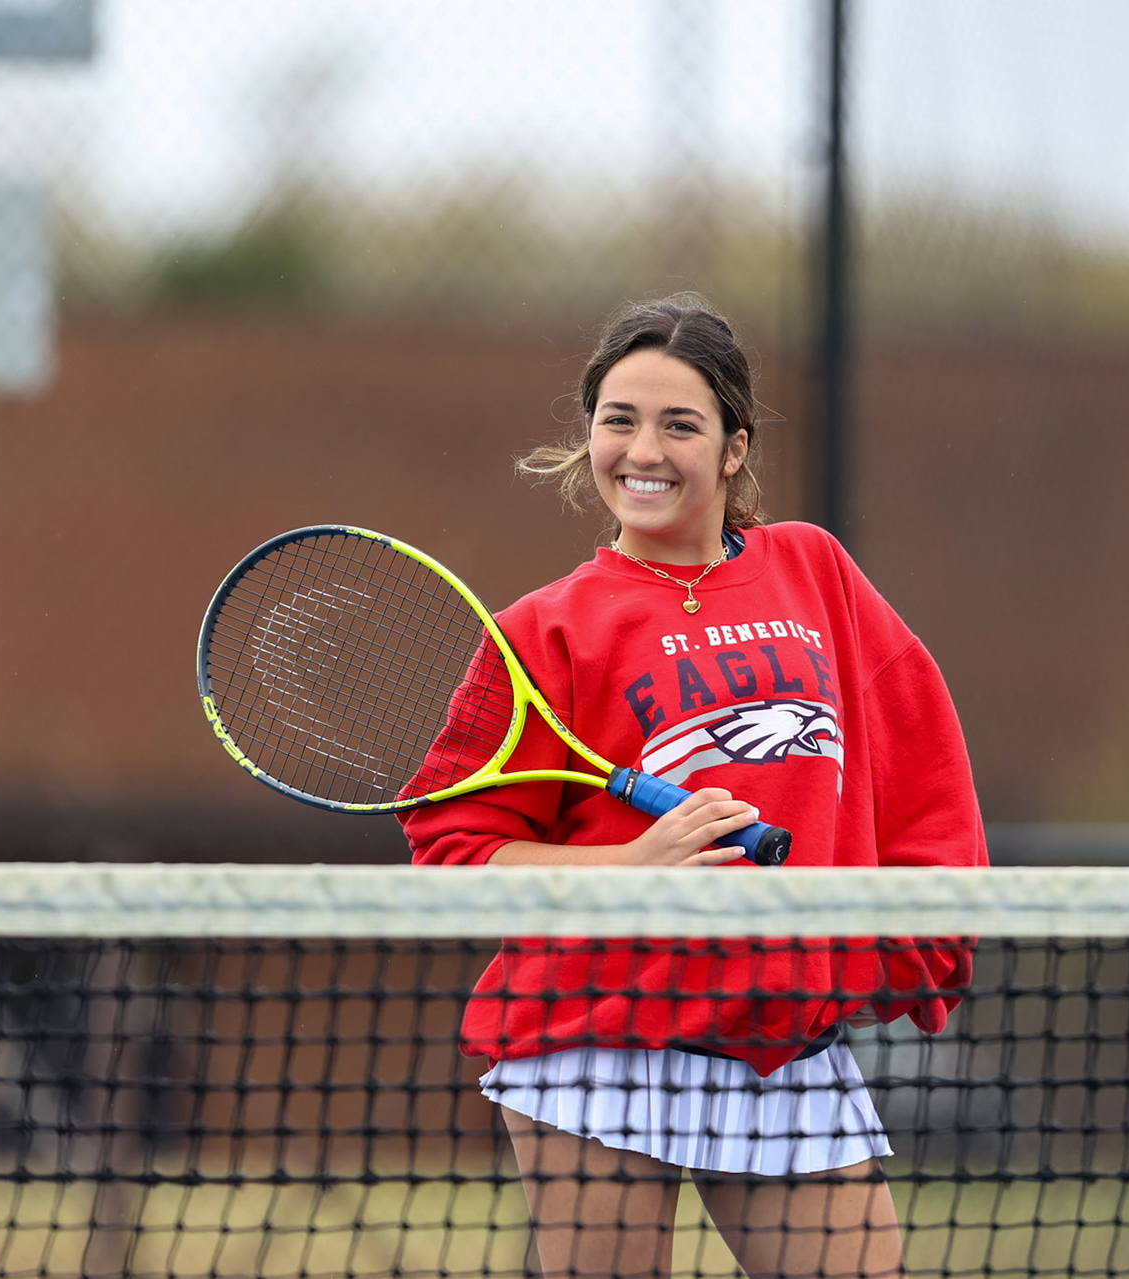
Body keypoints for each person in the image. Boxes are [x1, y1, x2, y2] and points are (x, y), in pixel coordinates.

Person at [403, 293, 987, 1279]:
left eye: (681, 423)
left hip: (782, 1038)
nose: (645, 448)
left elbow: (923, 766)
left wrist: (909, 938)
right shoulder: (541, 631)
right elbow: (456, 855)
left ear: (732, 450)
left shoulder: (817, 572)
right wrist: (629, 867)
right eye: (619, 419)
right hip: (595, 1041)